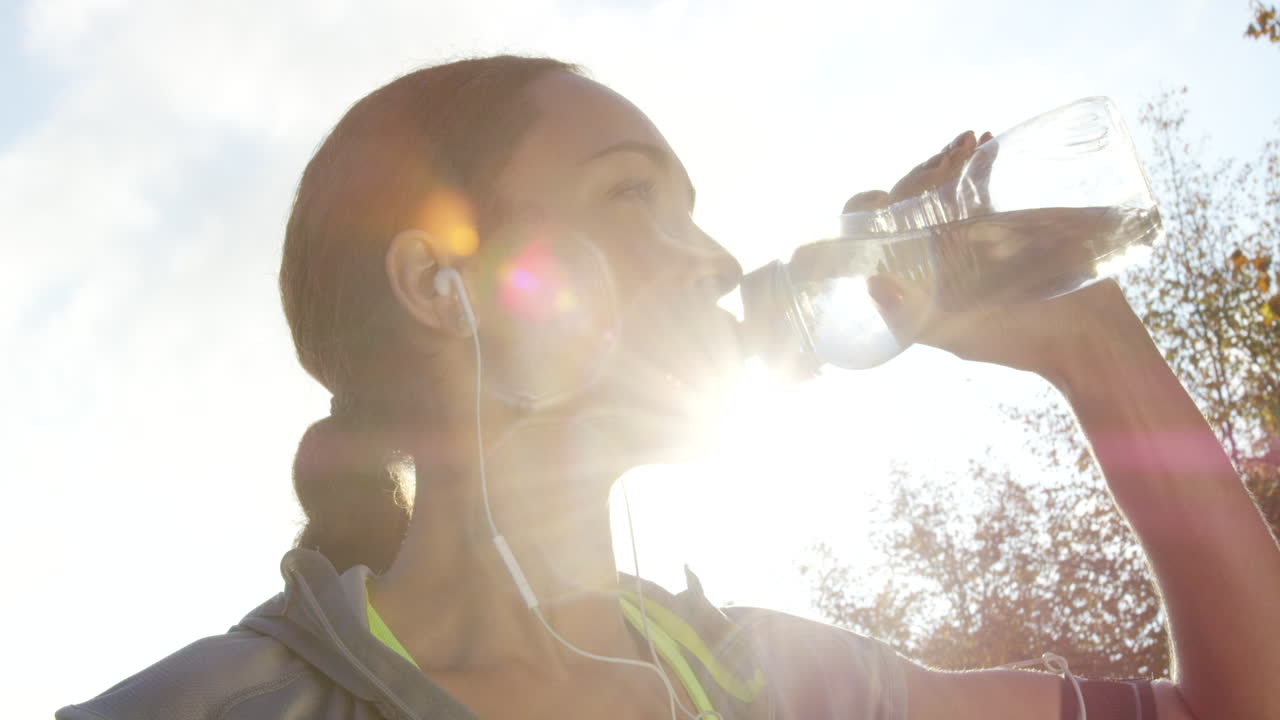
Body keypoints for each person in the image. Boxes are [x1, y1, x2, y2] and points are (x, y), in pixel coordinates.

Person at [57, 55, 1279, 720]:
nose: (713, 257)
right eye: (630, 194)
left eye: (692, 206)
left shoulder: (776, 683)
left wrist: (1088, 348)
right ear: (445, 286)